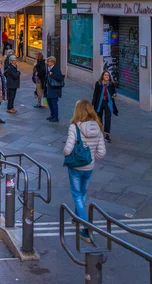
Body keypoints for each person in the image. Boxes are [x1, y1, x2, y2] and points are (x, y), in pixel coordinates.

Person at [63, 99, 106, 243]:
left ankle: (87, 229)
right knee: (82, 193)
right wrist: (92, 155)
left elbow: (68, 149)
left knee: (77, 195)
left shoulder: (74, 127)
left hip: (76, 167)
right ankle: (77, 218)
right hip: (89, 167)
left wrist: (66, 153)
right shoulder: (99, 127)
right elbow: (102, 153)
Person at [92, 71, 118, 144]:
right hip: (100, 102)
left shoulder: (111, 84)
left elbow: (114, 92)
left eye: (108, 75)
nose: (107, 76)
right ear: (102, 76)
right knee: (99, 117)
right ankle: (99, 132)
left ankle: (107, 135)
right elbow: (95, 94)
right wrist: (93, 104)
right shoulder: (98, 84)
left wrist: (114, 95)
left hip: (108, 102)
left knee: (108, 118)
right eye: (105, 75)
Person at [45, 56, 64, 123]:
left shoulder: (56, 69)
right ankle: (52, 115)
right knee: (50, 103)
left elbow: (60, 77)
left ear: (52, 62)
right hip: (49, 90)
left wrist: (52, 74)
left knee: (54, 104)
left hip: (54, 90)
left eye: (48, 62)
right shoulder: (49, 68)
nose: (47, 63)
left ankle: (56, 117)